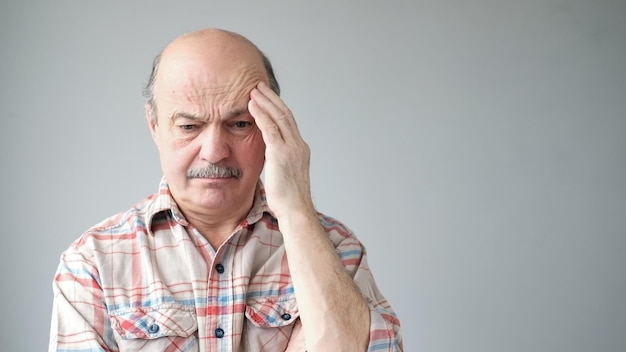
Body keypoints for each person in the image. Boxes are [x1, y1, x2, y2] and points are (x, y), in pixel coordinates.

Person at [49, 28, 403, 351]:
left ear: (273, 127)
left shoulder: (337, 250)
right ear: (155, 126)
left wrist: (296, 210)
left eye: (239, 124)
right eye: (189, 125)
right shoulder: (92, 263)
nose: (215, 151)